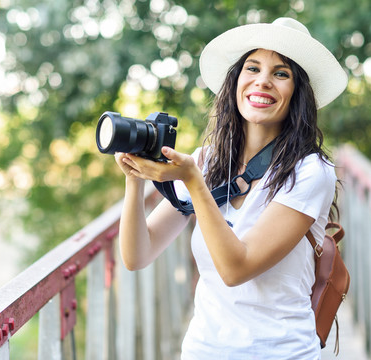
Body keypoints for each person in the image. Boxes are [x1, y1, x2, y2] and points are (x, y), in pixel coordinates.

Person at [114, 17, 347, 360]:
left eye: (281, 74)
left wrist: (193, 181)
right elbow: (138, 255)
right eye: (252, 68)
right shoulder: (207, 161)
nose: (263, 81)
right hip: (203, 351)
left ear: (298, 93)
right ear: (236, 80)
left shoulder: (311, 172)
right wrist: (134, 179)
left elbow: (236, 268)